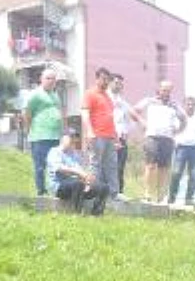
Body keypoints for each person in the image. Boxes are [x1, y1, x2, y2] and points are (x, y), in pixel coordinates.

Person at [134, 80, 186, 201]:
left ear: (171, 91)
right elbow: (134, 111)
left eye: (168, 90)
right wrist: (142, 123)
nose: (165, 93)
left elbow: (184, 119)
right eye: (164, 90)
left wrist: (178, 130)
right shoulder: (149, 101)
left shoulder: (174, 104)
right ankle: (147, 193)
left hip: (167, 139)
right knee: (150, 166)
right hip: (152, 137)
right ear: (159, 89)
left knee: (164, 168)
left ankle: (161, 195)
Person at [23, 67, 63, 196]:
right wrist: (29, 130)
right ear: (41, 79)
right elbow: (27, 113)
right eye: (48, 78)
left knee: (56, 165)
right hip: (40, 136)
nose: (51, 81)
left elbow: (60, 113)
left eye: (53, 79)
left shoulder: (55, 95)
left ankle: (55, 190)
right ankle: (41, 191)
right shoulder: (35, 94)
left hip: (55, 136)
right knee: (40, 166)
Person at [46, 133, 108, 215]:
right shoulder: (54, 151)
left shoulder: (75, 154)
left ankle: (97, 214)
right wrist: (79, 173)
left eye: (74, 138)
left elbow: (81, 171)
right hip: (59, 186)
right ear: (62, 140)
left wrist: (87, 181)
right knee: (78, 184)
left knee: (103, 187)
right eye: (70, 138)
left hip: (77, 186)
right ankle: (76, 213)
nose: (73, 140)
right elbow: (59, 169)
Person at [81, 67, 119, 197]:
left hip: (109, 137)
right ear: (97, 79)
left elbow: (110, 117)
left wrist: (116, 137)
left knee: (112, 166)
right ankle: (92, 192)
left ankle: (113, 194)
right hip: (97, 136)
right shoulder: (90, 93)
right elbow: (85, 114)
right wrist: (90, 132)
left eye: (107, 79)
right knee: (95, 164)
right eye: (103, 79)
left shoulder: (107, 96)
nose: (106, 82)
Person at [109, 74, 142, 200]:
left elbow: (133, 115)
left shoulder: (122, 101)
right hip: (109, 137)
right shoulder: (106, 98)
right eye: (117, 82)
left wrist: (128, 130)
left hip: (122, 138)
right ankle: (108, 192)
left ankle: (119, 192)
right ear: (110, 83)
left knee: (120, 166)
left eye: (121, 83)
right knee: (109, 166)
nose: (119, 85)